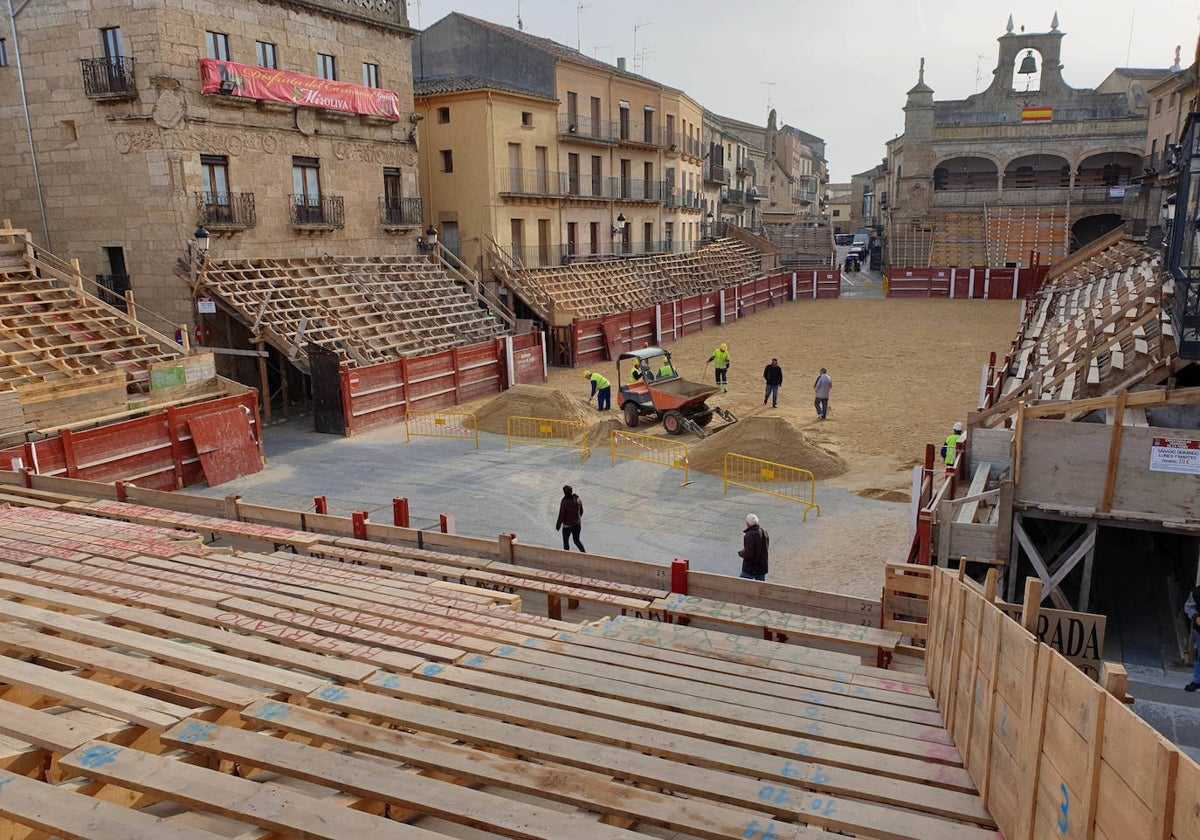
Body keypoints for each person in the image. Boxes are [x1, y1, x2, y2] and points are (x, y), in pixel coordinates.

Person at [737, 513, 769, 581]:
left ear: (748, 524)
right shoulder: (764, 532)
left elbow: (749, 554)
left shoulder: (749, 535)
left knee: (740, 584)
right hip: (762, 566)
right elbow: (766, 547)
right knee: (761, 587)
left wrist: (741, 553)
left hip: (750, 568)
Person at [555, 484, 585, 552]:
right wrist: (577, 519)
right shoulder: (578, 499)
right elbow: (581, 511)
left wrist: (558, 525)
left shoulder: (564, 501)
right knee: (577, 540)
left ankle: (567, 555)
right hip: (577, 524)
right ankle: (584, 554)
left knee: (566, 542)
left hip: (567, 526)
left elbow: (562, 514)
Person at [1185, 584, 1200, 691]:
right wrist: (1196, 617)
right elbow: (1189, 606)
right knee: (1199, 656)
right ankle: (1197, 681)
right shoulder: (1198, 592)